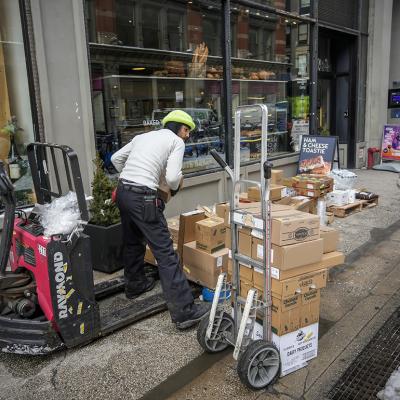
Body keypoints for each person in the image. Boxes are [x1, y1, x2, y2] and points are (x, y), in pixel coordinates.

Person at [111, 110, 210, 330]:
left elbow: (115, 158)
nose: (187, 136)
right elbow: (174, 178)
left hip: (123, 192)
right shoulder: (176, 142)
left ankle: (135, 285)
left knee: (132, 241)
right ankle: (185, 312)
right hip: (144, 198)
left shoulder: (143, 137)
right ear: (181, 128)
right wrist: (172, 188)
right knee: (165, 253)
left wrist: (131, 178)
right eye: (187, 131)